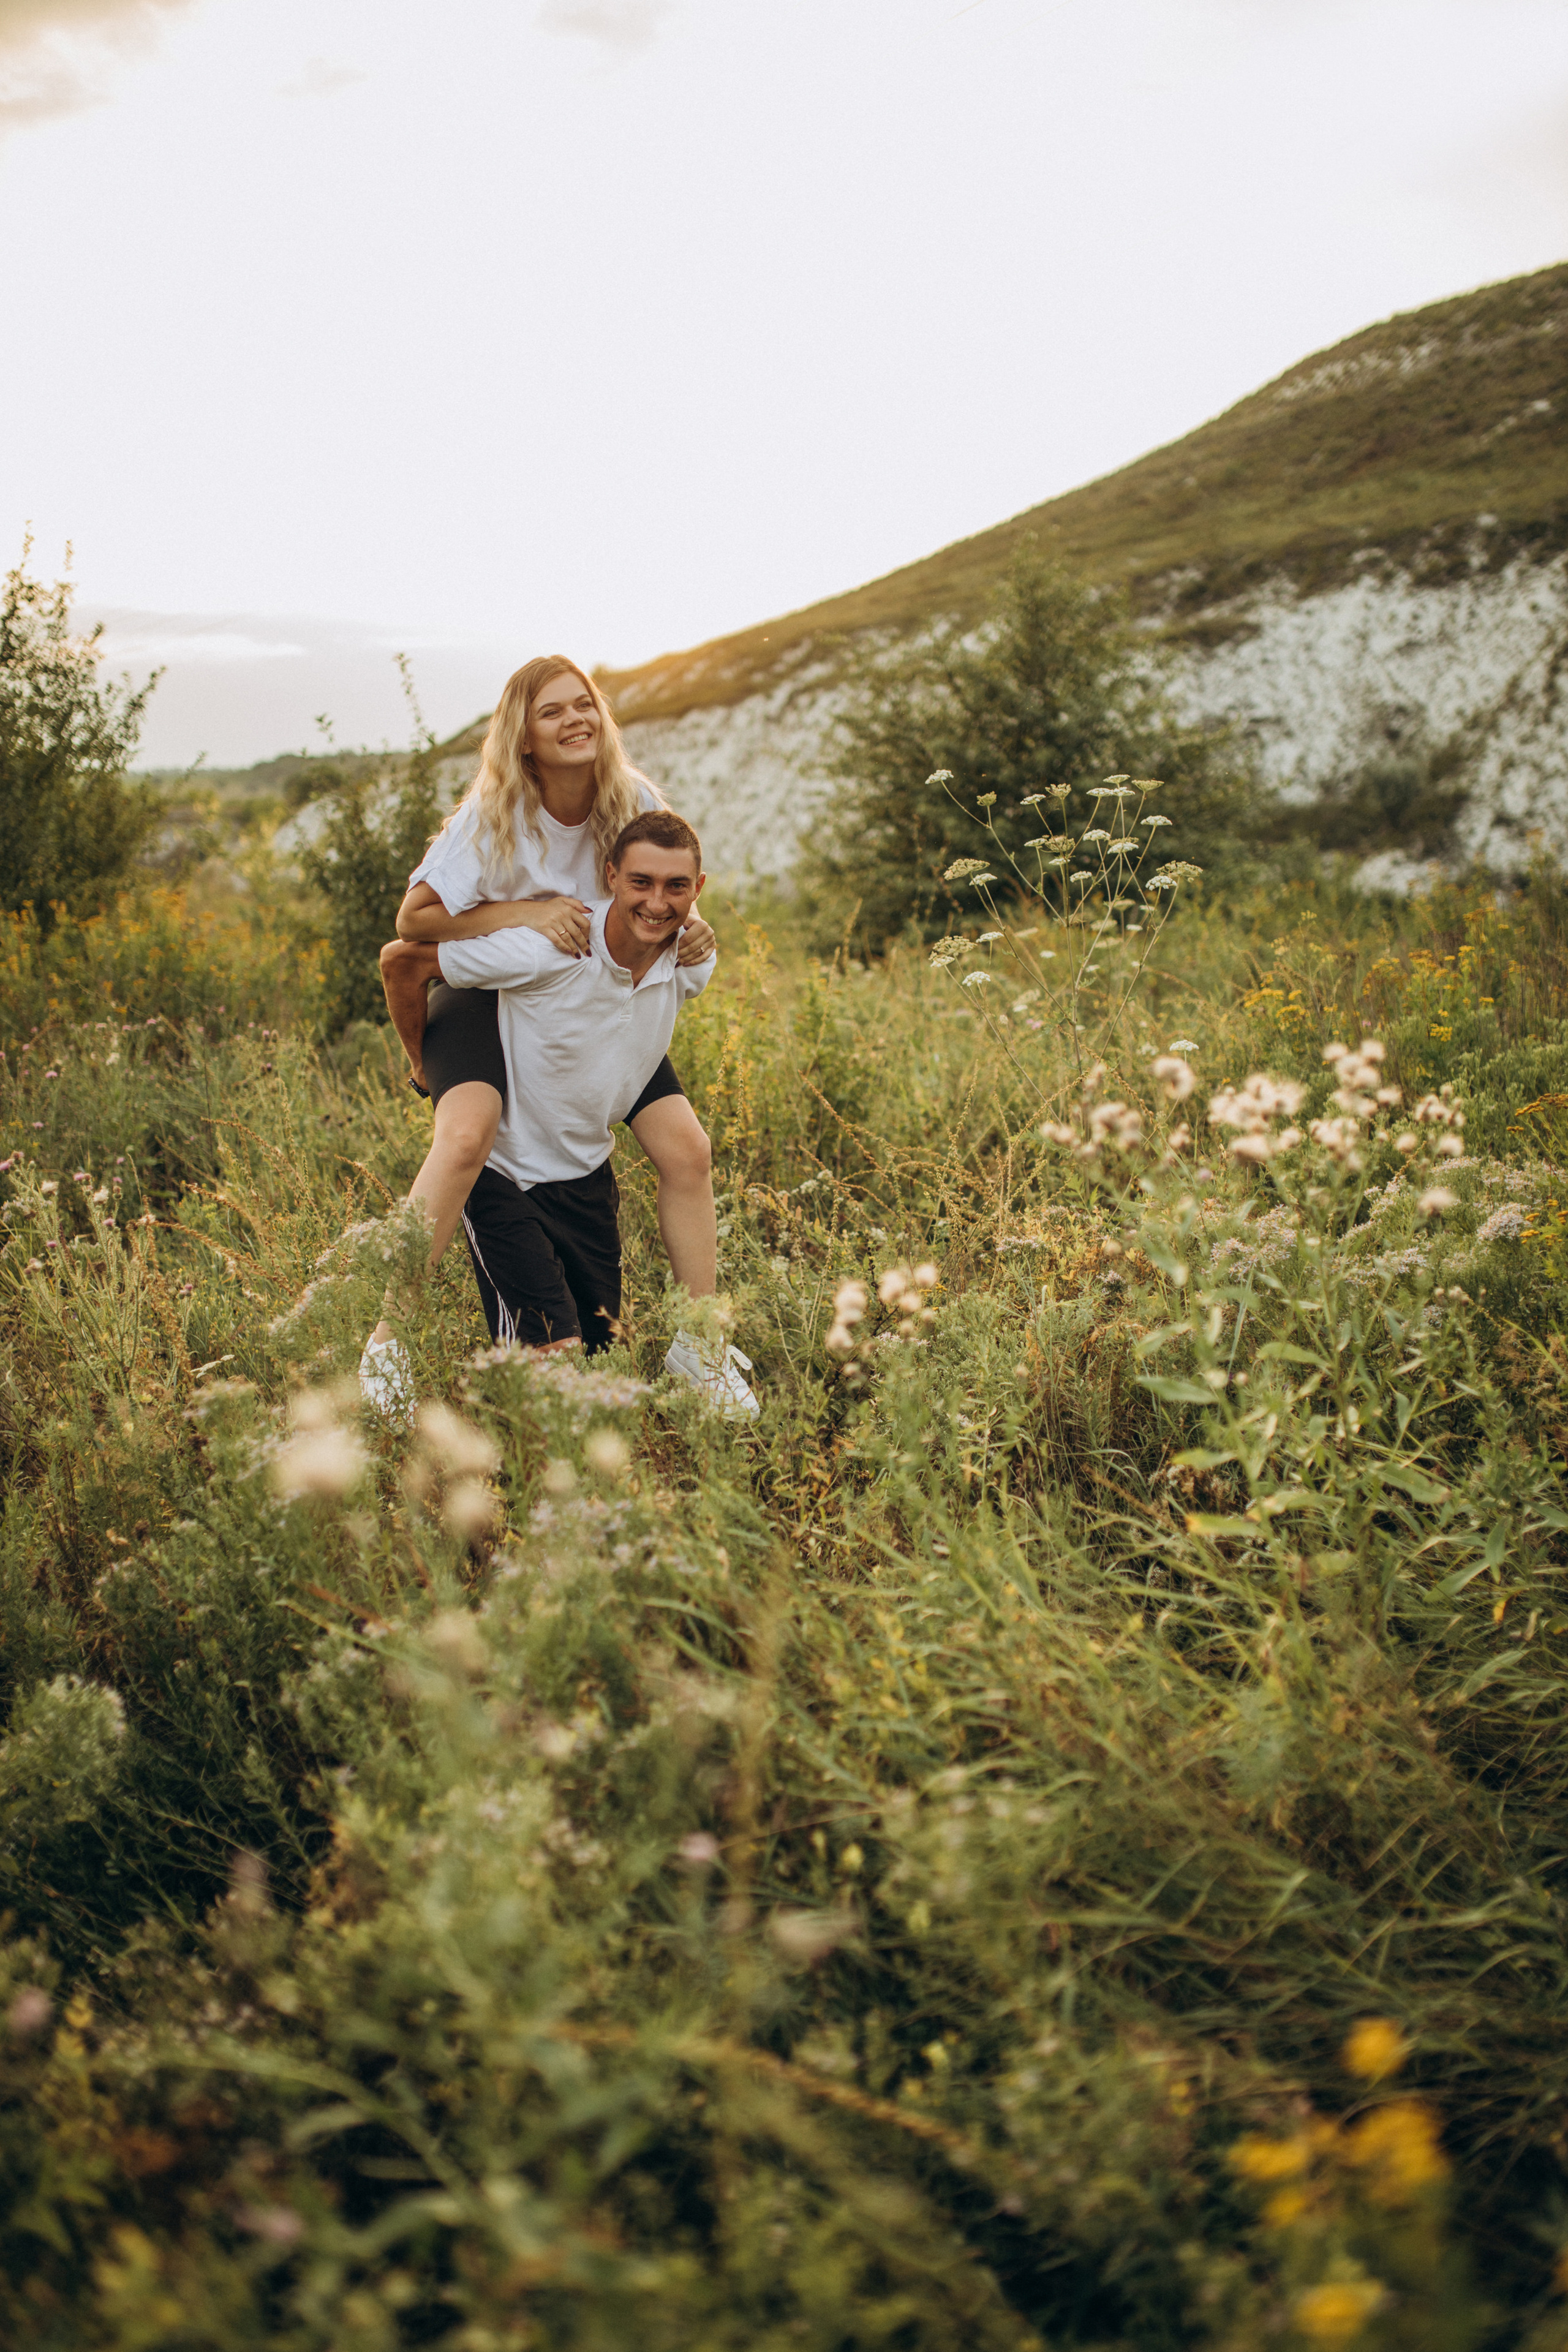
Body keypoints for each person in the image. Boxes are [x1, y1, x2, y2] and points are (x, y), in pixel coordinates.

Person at [359, 656, 749, 1412]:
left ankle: (698, 1345)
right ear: (524, 737)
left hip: (589, 989)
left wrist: (694, 928)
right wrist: (527, 911)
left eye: (585, 706)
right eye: (552, 712)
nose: (575, 721)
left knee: (687, 1150)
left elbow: (665, 881)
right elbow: (412, 927)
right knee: (469, 1137)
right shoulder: (491, 817)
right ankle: (386, 1342)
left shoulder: (628, 795)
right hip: (489, 987)